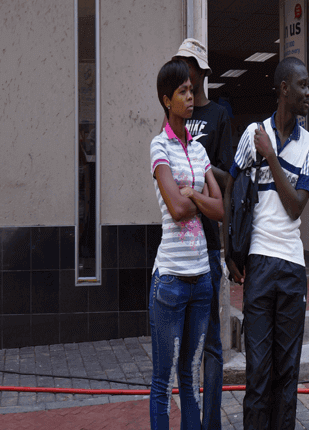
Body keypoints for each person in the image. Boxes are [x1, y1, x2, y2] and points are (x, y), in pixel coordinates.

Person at [232, 57, 309, 430]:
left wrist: (271, 157)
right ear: (283, 89)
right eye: (302, 86)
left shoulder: (308, 145)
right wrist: (229, 247)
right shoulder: (253, 134)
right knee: (258, 373)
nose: (307, 93)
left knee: (286, 377)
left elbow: (295, 208)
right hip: (260, 265)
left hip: (293, 268)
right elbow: (231, 187)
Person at [148, 57, 224, 430]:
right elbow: (176, 210)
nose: (190, 97)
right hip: (172, 281)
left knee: (190, 379)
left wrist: (191, 193)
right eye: (182, 92)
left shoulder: (198, 150)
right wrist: (197, 200)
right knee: (164, 381)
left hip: (202, 278)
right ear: (167, 100)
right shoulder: (159, 146)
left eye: (191, 90)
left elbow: (220, 208)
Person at [176, 37, 231, 430]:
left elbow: (227, 180)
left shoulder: (219, 117)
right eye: (180, 63)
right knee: (181, 350)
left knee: (211, 344)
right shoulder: (173, 117)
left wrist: (198, 176)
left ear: (202, 73)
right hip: (178, 248)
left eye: (189, 64)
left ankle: (210, 423)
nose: (185, 70)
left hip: (208, 247)